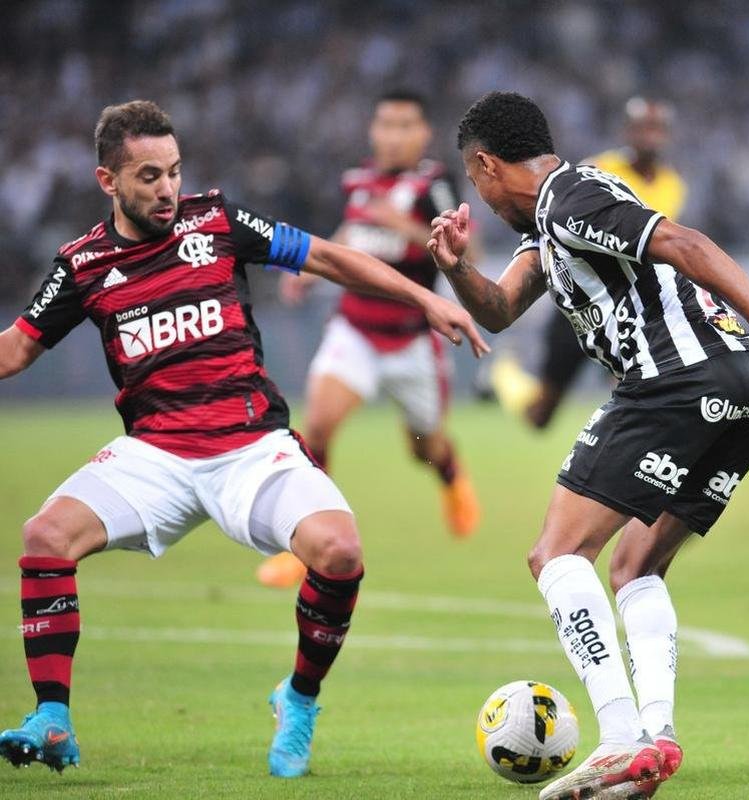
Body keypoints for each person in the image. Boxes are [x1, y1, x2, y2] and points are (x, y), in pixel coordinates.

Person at [0, 100, 487, 777]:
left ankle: (299, 697)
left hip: (251, 450)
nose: (167, 189)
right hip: (155, 457)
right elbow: (15, 352)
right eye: (147, 176)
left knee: (340, 552)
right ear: (107, 181)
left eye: (173, 171)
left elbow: (325, 257)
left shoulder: (216, 220)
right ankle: (52, 717)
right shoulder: (81, 265)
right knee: (44, 538)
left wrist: (426, 298)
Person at [428, 92, 749, 800]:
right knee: (634, 566)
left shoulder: (571, 196)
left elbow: (686, 243)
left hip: (679, 380)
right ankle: (655, 743)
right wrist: (455, 266)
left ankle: (618, 739)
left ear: (486, 165)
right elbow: (498, 307)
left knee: (555, 552)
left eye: (475, 182)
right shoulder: (549, 229)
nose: (480, 198)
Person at [256, 90, 481, 590]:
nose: (393, 135)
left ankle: (450, 475)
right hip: (355, 329)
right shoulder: (357, 181)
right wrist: (309, 270)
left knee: (424, 446)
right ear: (372, 130)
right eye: (385, 124)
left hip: (411, 341)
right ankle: (306, 544)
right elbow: (350, 232)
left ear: (423, 133)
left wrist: (400, 223)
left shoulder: (433, 184)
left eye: (405, 125)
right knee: (316, 428)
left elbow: (471, 247)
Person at [490, 97, 688, 431]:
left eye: (657, 128)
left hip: (631, 307)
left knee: (638, 396)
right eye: (643, 128)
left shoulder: (675, 185)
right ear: (628, 131)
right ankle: (503, 376)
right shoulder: (597, 168)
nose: (650, 136)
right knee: (541, 416)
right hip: (583, 302)